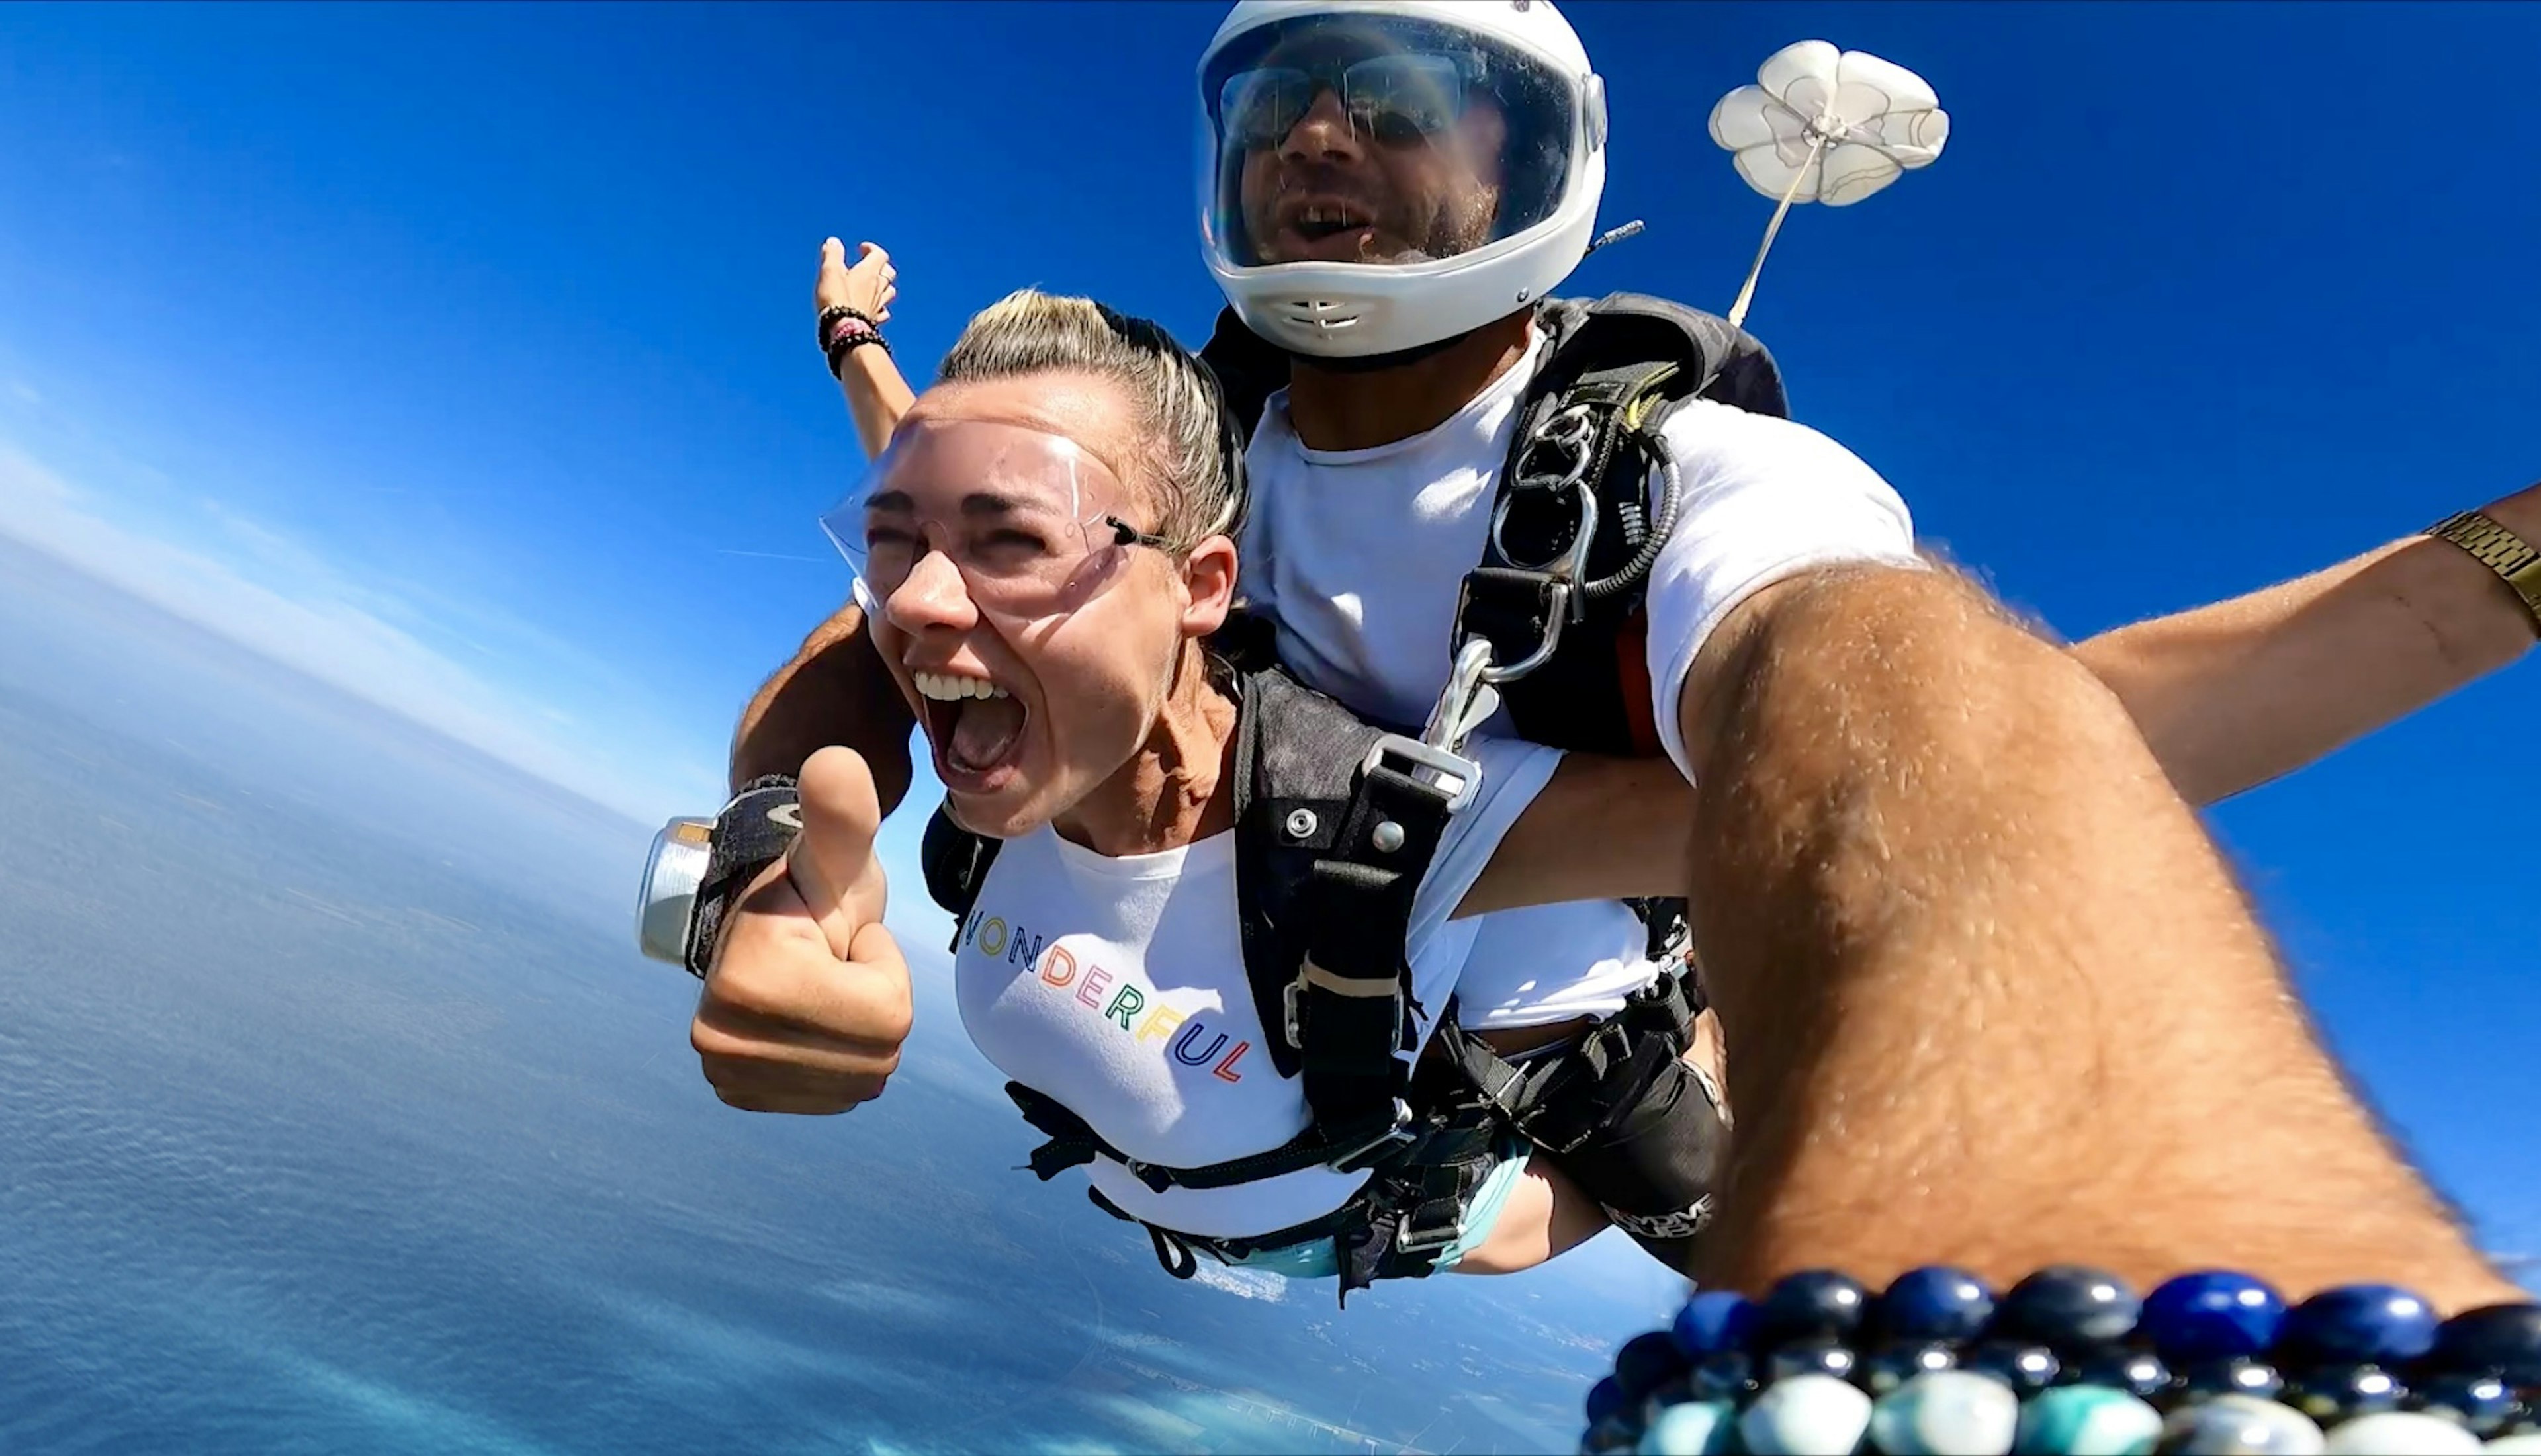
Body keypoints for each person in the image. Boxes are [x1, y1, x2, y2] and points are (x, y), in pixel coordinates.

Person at [701, 0, 2538, 1309]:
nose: (1319, 134)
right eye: (1278, 101)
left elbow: (1947, 733)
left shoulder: (1691, 479)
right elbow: (923, 548)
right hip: (1305, 1059)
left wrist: (2109, 1171)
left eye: (1402, 95)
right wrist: (780, 847)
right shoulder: (1188, 452)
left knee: (1629, 1163)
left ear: (1533, 160)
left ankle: (1715, 1016)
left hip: (1503, 1009)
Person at [705, 286, 1729, 1292]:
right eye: (893, 542)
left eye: (1010, 540)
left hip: (1415, 1214)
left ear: (1199, 586)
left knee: (1666, 1157)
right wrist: (758, 862)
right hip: (1215, 1197)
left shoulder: (1373, 833)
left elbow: (1794, 815)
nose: (920, 598)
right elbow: (895, 515)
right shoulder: (1020, 711)